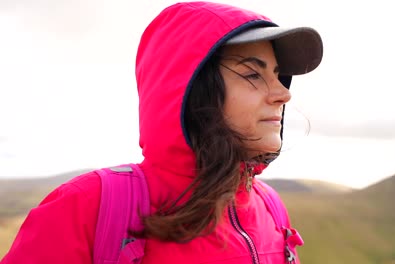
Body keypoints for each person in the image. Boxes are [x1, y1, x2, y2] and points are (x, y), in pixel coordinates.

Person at [1, 1, 322, 263]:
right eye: (253, 74)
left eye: (279, 76)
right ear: (192, 87)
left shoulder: (271, 208)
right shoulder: (86, 208)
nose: (284, 94)